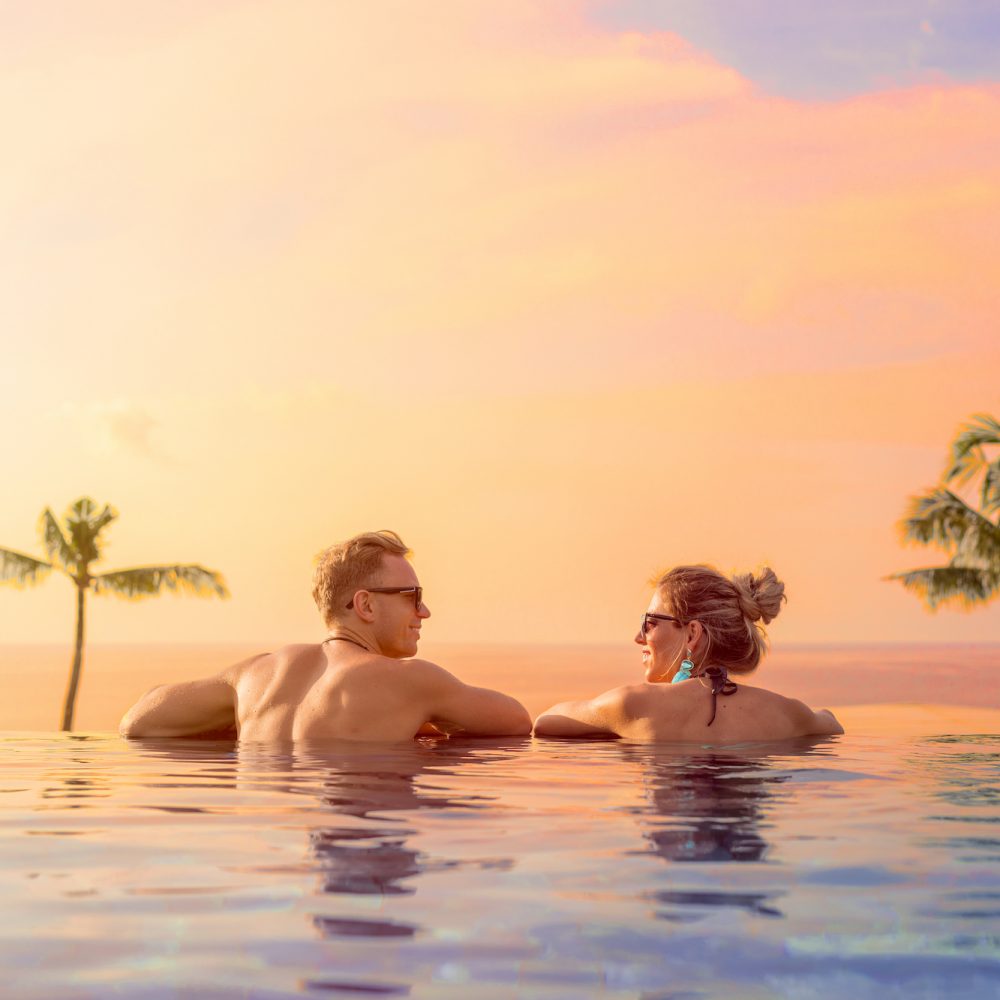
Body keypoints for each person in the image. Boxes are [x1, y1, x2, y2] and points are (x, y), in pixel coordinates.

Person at [120, 530, 531, 741]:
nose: (424, 611)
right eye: (412, 596)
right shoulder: (412, 680)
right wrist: (426, 714)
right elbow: (517, 721)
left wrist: (238, 717)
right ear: (366, 605)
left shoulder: (254, 675)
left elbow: (137, 721)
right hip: (365, 830)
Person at [534, 564, 843, 742]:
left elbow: (544, 723)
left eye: (650, 623)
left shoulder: (632, 705)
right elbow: (831, 724)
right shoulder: (786, 713)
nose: (638, 637)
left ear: (693, 633)